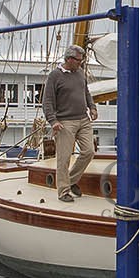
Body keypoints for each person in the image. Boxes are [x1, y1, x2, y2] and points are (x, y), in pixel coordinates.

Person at [43, 44, 97, 202]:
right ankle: (63, 191)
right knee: (64, 158)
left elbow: (85, 92)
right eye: (78, 60)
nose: (80, 63)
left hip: (83, 119)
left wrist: (92, 107)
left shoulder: (80, 73)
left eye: (81, 60)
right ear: (69, 59)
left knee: (89, 152)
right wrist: (52, 121)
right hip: (65, 122)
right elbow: (47, 101)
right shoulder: (55, 76)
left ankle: (71, 180)